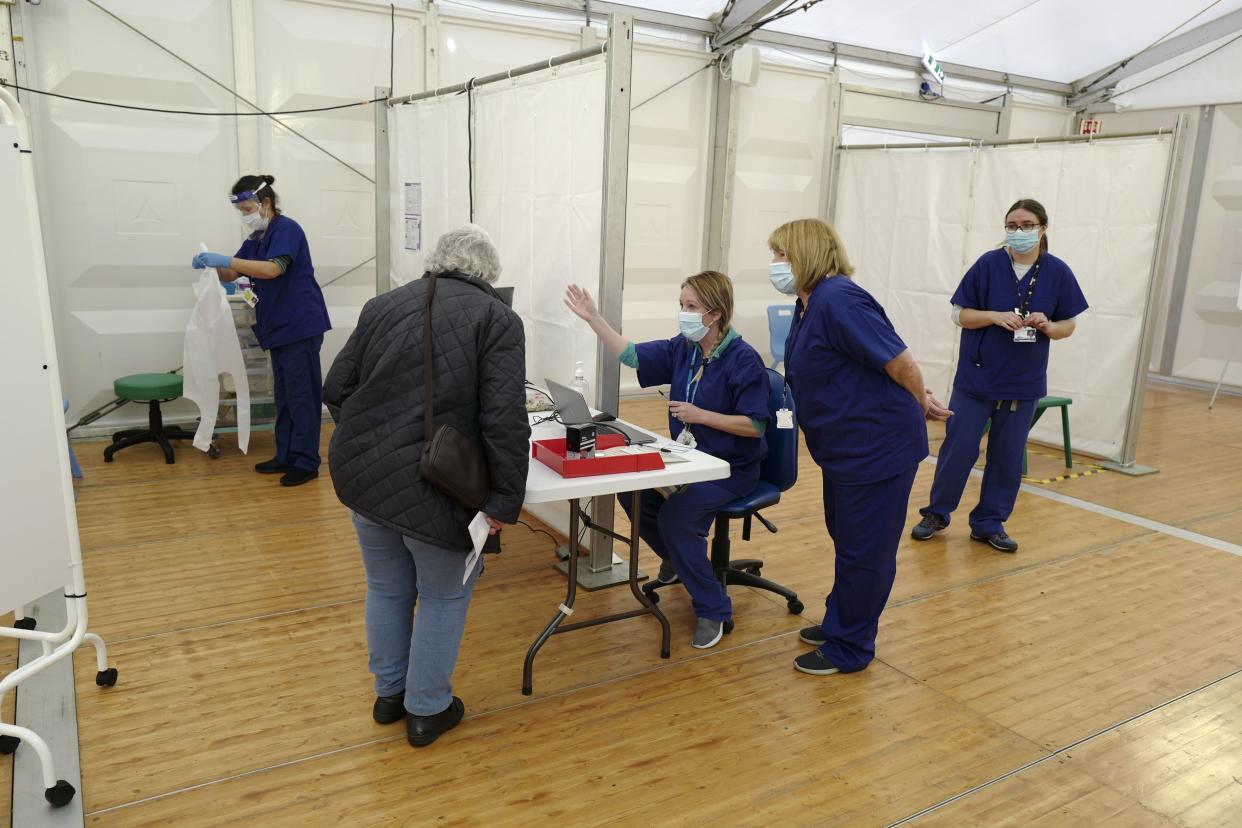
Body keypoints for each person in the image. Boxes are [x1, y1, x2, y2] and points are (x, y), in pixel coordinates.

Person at [323, 225, 529, 747]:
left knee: (386, 590)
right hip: (438, 487)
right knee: (443, 597)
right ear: (489, 274)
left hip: (364, 479)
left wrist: (375, 431)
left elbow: (336, 387)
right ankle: (427, 710)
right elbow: (503, 418)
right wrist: (505, 500)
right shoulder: (496, 319)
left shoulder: (383, 304)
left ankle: (390, 695)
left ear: (437, 262)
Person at [767, 218, 951, 677]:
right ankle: (840, 621)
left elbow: (900, 360)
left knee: (865, 551)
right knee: (847, 539)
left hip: (877, 448)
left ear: (807, 254)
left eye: (781, 255)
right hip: (845, 448)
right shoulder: (808, 303)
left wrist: (918, 399)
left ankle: (851, 645)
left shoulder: (839, 299)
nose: (775, 265)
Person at [564, 271, 770, 650]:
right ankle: (678, 560)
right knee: (631, 490)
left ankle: (714, 609)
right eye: (682, 306)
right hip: (687, 459)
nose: (684, 314)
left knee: (676, 518)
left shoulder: (743, 359)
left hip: (730, 468)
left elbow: (755, 426)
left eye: (692, 307)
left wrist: (702, 415)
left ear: (716, 313)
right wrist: (594, 317)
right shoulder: (685, 348)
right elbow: (632, 355)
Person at [912, 198, 1088, 553]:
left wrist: (1049, 326)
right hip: (977, 380)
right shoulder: (988, 265)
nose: (1018, 232)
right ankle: (937, 513)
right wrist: (993, 316)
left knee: (1007, 457)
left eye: (1026, 225)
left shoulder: (1057, 271)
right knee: (958, 450)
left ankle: (989, 522)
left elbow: (1069, 324)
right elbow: (959, 316)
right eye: (1011, 226)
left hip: (1022, 382)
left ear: (1043, 228)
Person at [192, 175, 331, 487]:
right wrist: (211, 264)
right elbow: (235, 269)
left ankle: (306, 462)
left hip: (299, 325)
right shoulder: (256, 237)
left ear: (266, 203)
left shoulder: (287, 230)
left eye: (248, 208)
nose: (246, 216)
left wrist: (227, 260)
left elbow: (272, 269)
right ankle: (285, 454)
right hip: (278, 327)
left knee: (302, 396)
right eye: (240, 211)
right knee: (283, 396)